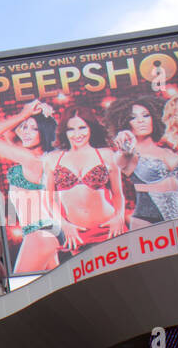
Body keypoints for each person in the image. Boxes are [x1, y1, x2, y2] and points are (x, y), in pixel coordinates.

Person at [42, 107, 126, 252]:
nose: (77, 134)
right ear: (64, 131)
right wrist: (64, 225)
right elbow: (48, 200)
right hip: (77, 234)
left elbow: (118, 194)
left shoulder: (106, 155)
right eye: (71, 129)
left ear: (91, 128)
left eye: (82, 127)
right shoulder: (52, 159)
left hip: (110, 228)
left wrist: (119, 218)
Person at [0, 98, 62, 273]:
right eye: (24, 127)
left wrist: (23, 114)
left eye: (34, 129)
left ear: (44, 132)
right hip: (45, 232)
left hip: (38, 233)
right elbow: (9, 134)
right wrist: (36, 113)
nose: (26, 133)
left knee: (22, 292)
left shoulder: (31, 160)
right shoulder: (34, 155)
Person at [111, 96, 178, 227]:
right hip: (146, 221)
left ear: (154, 118)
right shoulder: (130, 155)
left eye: (146, 115)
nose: (141, 121)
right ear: (125, 123)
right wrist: (123, 138)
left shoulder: (168, 151)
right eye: (133, 117)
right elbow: (121, 156)